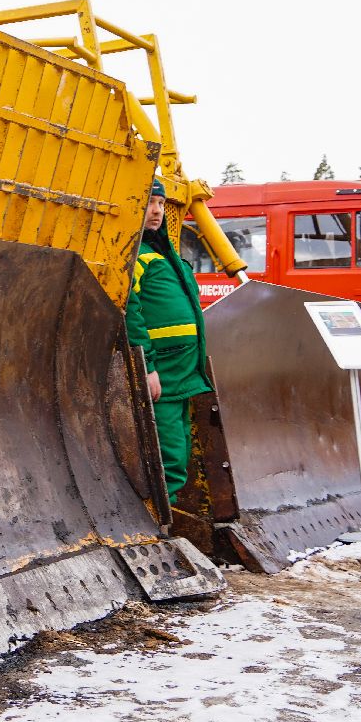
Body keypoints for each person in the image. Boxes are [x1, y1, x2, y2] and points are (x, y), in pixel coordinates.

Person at [125, 178, 214, 502]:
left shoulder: (165, 256)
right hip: (162, 371)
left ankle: (169, 512)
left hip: (181, 371)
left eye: (161, 204)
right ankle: (161, 516)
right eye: (150, 202)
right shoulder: (136, 255)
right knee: (168, 452)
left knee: (179, 447)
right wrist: (146, 366)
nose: (157, 210)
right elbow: (129, 310)